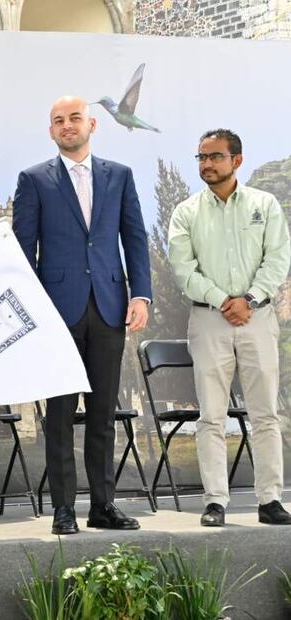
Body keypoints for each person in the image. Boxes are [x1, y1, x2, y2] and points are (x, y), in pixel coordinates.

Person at [12, 96, 152, 535]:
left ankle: (103, 505)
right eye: (59, 120)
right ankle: (63, 509)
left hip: (110, 307)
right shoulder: (34, 179)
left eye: (75, 118)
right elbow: (23, 252)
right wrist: (33, 310)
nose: (67, 125)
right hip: (57, 313)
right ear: (50, 130)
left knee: (103, 414)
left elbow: (135, 237)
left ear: (92, 124)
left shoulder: (120, 175)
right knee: (58, 416)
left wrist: (141, 295)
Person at [167, 129, 291, 527]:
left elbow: (278, 259)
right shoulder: (186, 212)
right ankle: (215, 502)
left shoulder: (264, 205)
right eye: (201, 157)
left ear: (236, 160)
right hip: (209, 320)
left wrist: (248, 299)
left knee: (265, 413)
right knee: (211, 415)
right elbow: (183, 269)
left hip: (258, 317)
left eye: (215, 156)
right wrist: (224, 300)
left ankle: (270, 499)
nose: (206, 164)